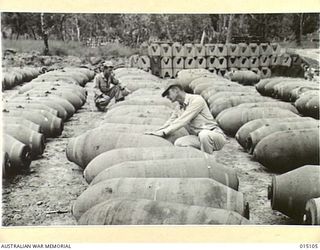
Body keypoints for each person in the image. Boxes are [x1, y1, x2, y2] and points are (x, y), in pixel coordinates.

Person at [145, 83, 227, 154]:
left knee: (204, 135)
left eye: (168, 93)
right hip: (198, 137)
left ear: (176, 90)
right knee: (179, 143)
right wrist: (156, 132)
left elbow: (183, 120)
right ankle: (197, 160)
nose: (167, 97)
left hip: (214, 135)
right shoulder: (178, 107)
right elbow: (170, 122)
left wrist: (164, 133)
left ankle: (208, 162)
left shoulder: (197, 100)